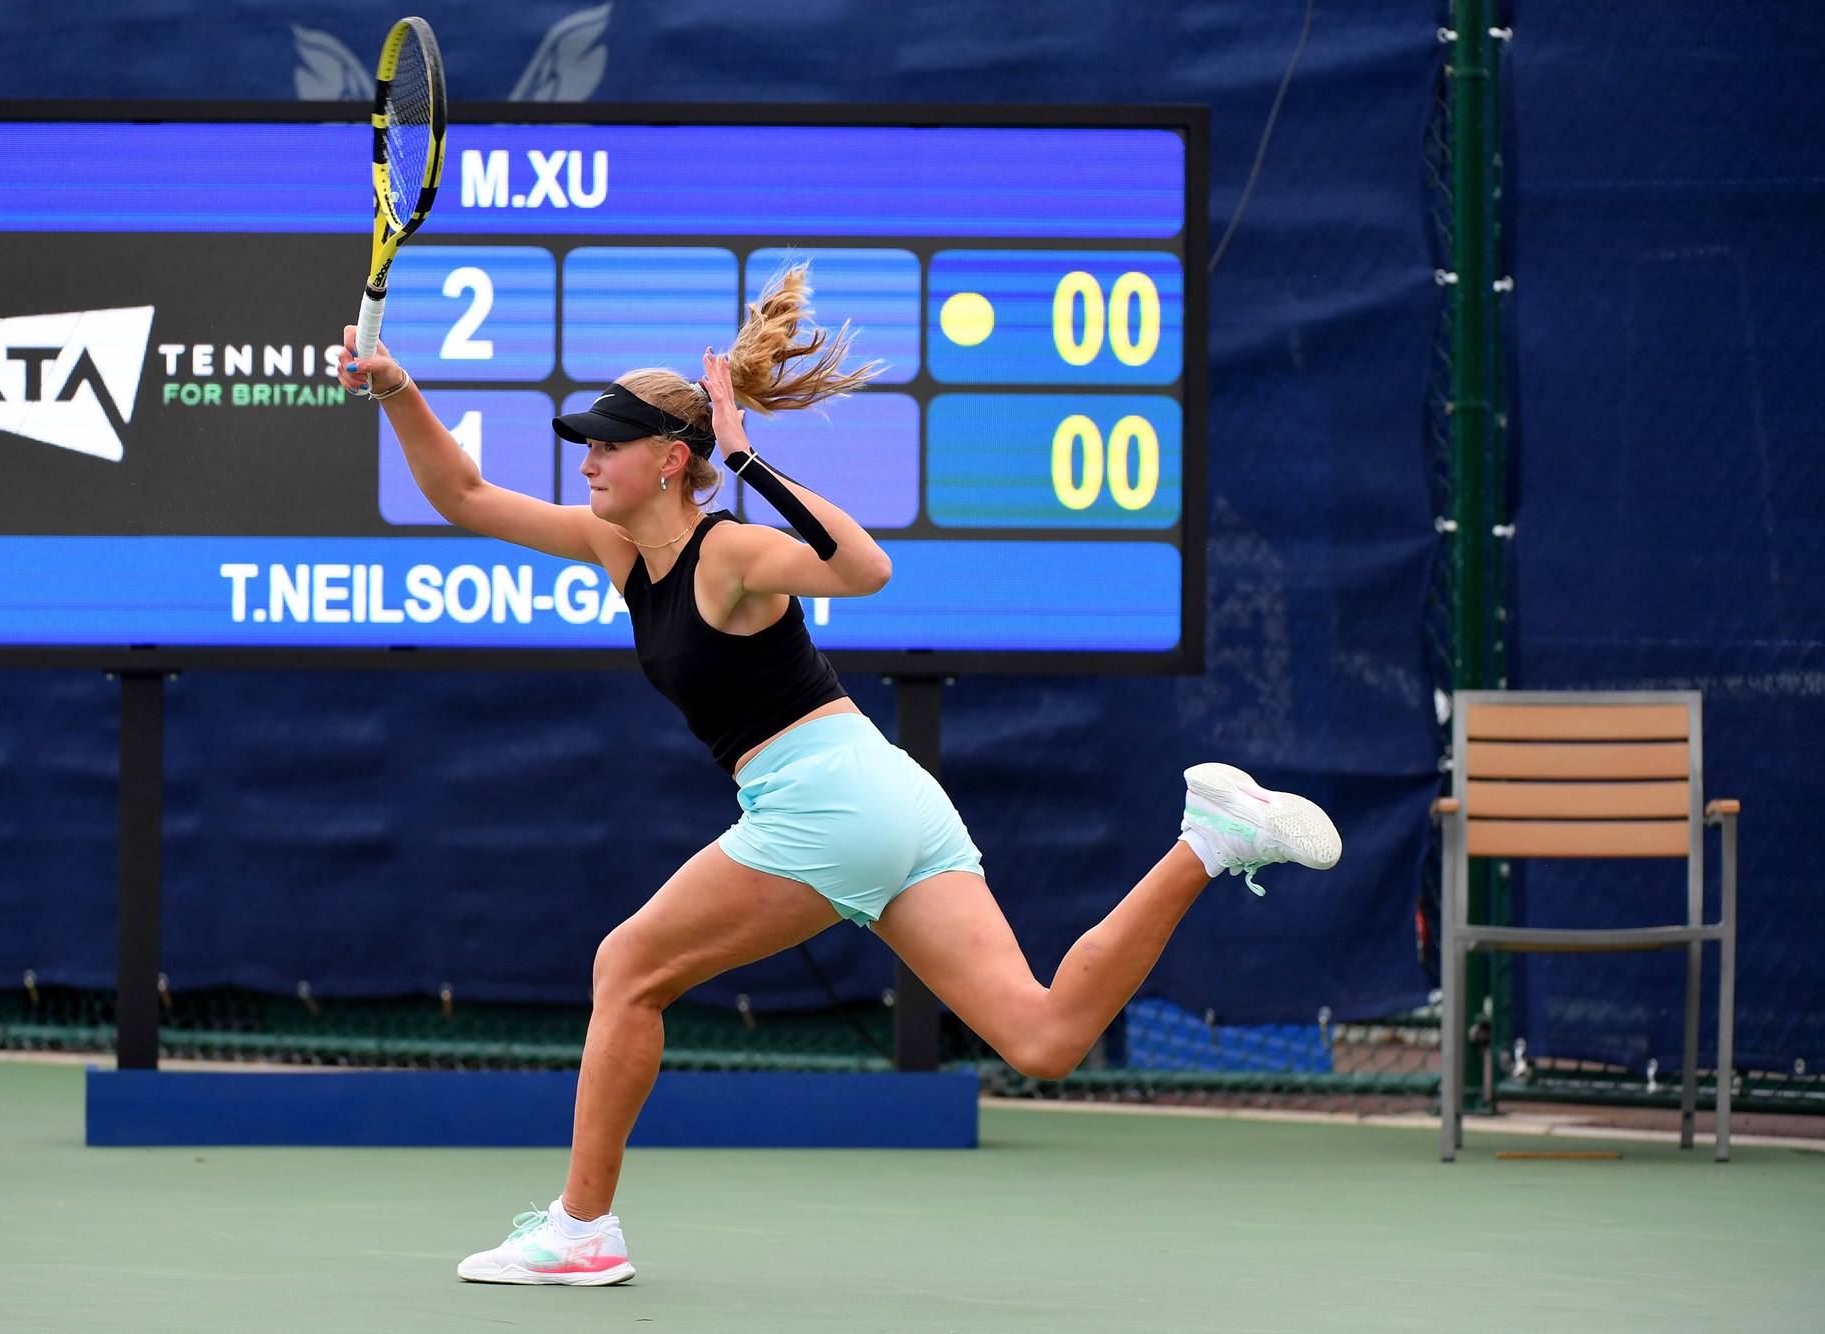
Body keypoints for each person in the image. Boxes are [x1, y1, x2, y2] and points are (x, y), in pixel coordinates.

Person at [338, 263, 1342, 1288]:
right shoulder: (616, 550)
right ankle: (1207, 837)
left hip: (827, 799)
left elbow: (864, 567)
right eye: (586, 444)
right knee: (1040, 1037)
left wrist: (746, 459)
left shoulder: (729, 552)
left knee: (626, 967)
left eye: (609, 442)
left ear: (672, 458)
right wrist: (397, 389)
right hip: (888, 792)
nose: (588, 458)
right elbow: (460, 494)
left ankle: (582, 1225)